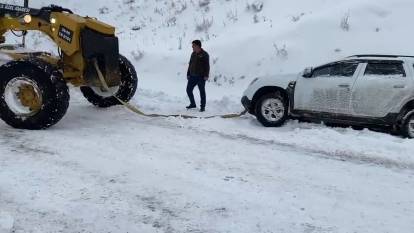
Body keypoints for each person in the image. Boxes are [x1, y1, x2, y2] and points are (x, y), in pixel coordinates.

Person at [186, 40, 210, 112]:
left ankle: (202, 107)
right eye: (192, 46)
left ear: (198, 46)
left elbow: (207, 66)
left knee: (202, 92)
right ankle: (193, 104)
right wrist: (188, 73)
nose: (192, 47)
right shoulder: (193, 54)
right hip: (192, 76)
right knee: (188, 90)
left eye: (193, 45)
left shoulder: (205, 54)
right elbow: (190, 64)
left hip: (201, 77)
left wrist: (206, 75)